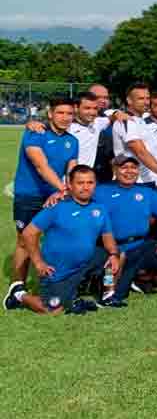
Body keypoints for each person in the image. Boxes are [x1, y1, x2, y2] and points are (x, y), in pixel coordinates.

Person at [5, 166, 120, 315]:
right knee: (52, 309)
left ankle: (107, 295)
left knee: (114, 258)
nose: (86, 187)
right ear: (70, 185)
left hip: (83, 265)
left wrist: (113, 254)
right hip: (57, 272)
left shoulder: (100, 209)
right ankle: (18, 296)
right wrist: (39, 262)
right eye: (80, 183)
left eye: (90, 182)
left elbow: (108, 237)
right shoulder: (56, 207)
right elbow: (28, 234)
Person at [6, 97, 79, 302]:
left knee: (58, 238)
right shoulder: (35, 133)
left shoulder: (72, 141)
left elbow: (71, 169)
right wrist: (64, 188)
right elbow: (41, 166)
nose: (65, 118)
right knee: (25, 239)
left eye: (69, 114)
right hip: (29, 196)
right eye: (60, 113)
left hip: (55, 195)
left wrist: (67, 190)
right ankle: (16, 287)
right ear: (50, 114)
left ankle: (55, 281)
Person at [93, 155, 157, 306]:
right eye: (124, 168)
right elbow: (79, 198)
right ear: (115, 170)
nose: (129, 171)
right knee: (116, 287)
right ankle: (107, 294)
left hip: (139, 245)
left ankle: (138, 277)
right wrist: (58, 193)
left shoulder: (147, 192)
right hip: (113, 247)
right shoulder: (100, 191)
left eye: (133, 167)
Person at [113, 84, 157, 187]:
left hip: (150, 181)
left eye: (147, 98)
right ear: (129, 100)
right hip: (134, 182)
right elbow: (140, 151)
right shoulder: (127, 121)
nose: (146, 102)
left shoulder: (142, 119)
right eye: (141, 98)